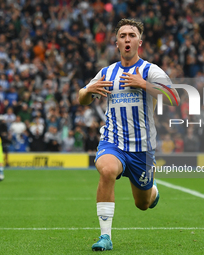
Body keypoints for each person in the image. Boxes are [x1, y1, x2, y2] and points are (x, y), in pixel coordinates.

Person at [78, 19, 179, 251]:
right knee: (107, 169)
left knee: (142, 204)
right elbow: (82, 99)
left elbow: (175, 98)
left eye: (131, 35)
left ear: (139, 42)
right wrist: (87, 91)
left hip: (142, 148)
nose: (127, 39)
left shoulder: (150, 71)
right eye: (122, 35)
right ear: (116, 43)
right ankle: (105, 237)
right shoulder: (107, 72)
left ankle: (152, 192)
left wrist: (144, 84)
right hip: (113, 141)